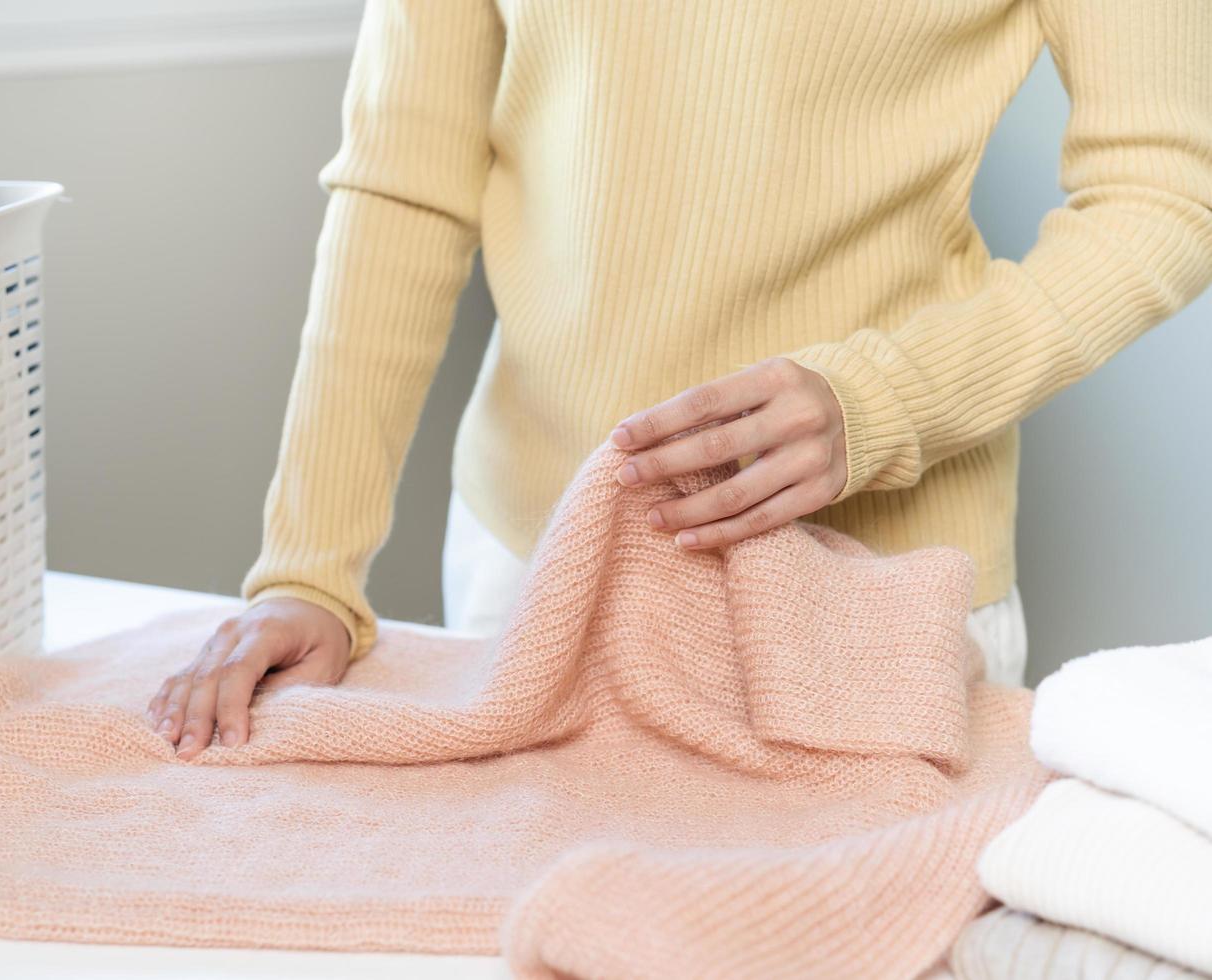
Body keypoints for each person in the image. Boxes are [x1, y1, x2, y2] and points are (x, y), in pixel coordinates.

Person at [146, 0, 1212, 758]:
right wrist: (308, 567)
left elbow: (1168, 193)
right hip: (533, 568)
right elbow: (404, 187)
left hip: (872, 595)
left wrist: (888, 396)